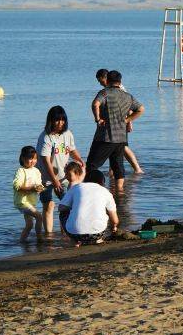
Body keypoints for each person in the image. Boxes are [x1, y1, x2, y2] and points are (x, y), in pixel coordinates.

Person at [86, 70, 144, 193]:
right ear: (120, 81)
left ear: (107, 80)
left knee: (92, 165)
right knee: (118, 167)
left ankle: (93, 191)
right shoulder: (127, 96)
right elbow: (140, 109)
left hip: (105, 137)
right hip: (121, 138)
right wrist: (127, 120)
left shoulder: (104, 93)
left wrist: (98, 119)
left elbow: (95, 104)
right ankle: (119, 193)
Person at [36, 105, 85, 234]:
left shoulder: (67, 134)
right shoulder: (46, 137)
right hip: (45, 178)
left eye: (63, 120)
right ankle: (49, 235)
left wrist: (80, 160)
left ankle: (67, 232)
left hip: (64, 176)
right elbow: (46, 161)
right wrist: (54, 180)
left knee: (67, 205)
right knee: (48, 205)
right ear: (51, 121)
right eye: (57, 120)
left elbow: (72, 150)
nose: (60, 123)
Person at [95, 69, 143, 174]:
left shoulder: (119, 88)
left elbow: (129, 105)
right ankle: (112, 172)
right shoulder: (108, 89)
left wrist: (129, 122)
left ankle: (137, 169)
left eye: (100, 80)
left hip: (119, 123)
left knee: (122, 147)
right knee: (114, 147)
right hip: (115, 123)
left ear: (105, 78)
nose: (100, 83)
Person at [58, 164, 119, 246]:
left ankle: (75, 242)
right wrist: (114, 227)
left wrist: (73, 207)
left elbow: (61, 208)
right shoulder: (106, 192)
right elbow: (115, 220)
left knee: (63, 213)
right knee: (105, 213)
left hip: (74, 233)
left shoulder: (76, 187)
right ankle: (98, 240)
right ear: (102, 182)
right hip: (97, 233)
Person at [14, 146, 45, 242]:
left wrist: (40, 188)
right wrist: (31, 188)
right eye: (30, 158)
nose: (33, 161)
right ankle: (39, 239)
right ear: (23, 158)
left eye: (35, 158)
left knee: (29, 225)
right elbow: (17, 186)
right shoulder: (21, 171)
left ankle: (21, 241)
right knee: (39, 216)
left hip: (31, 202)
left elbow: (39, 184)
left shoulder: (36, 171)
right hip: (22, 202)